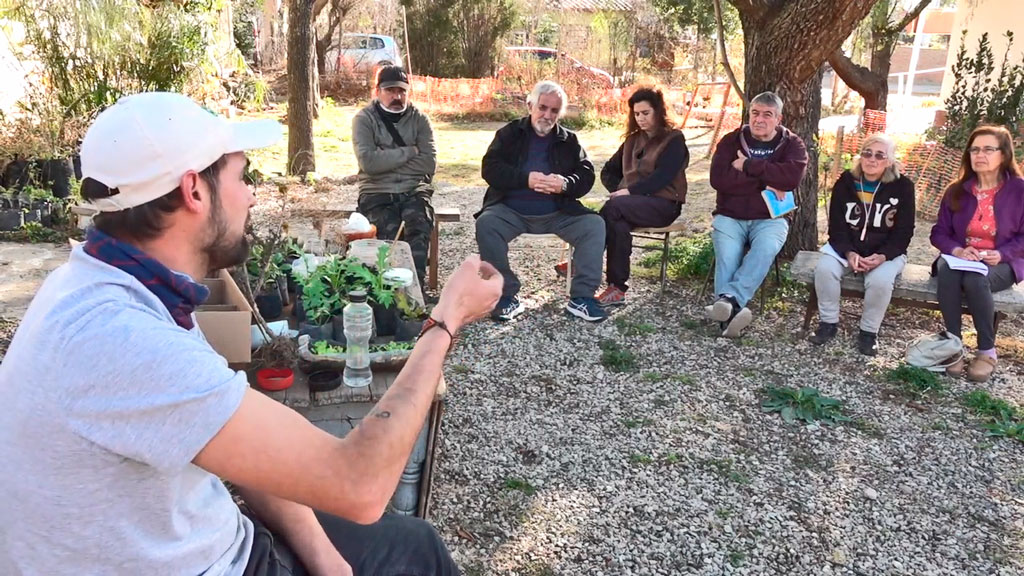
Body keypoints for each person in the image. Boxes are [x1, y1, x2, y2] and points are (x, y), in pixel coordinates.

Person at [0, 92, 502, 575]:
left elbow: (231, 441)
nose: (253, 195)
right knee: (417, 555)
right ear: (193, 189)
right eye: (242, 175)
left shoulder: (113, 282)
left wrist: (325, 559)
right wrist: (445, 321)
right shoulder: (123, 339)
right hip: (208, 562)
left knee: (411, 542)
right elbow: (362, 485)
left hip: (191, 540)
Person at [476, 80, 607, 322]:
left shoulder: (569, 141)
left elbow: (587, 174)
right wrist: (525, 179)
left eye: (554, 111)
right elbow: (490, 169)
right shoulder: (509, 134)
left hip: (558, 212)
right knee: (486, 224)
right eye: (543, 107)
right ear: (530, 105)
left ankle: (582, 298)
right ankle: (505, 294)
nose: (547, 115)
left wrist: (565, 184)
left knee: (595, 225)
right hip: (511, 210)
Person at [707, 91, 808, 338]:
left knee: (764, 249)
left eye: (767, 114)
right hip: (730, 215)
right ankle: (731, 314)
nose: (759, 119)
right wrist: (767, 181)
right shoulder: (731, 141)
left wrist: (748, 167)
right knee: (728, 257)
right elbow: (718, 179)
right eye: (755, 113)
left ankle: (728, 303)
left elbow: (791, 179)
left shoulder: (793, 144)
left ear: (778, 118)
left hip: (770, 219)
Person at [929, 125, 1024, 382]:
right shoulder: (957, 190)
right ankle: (954, 346)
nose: (979, 155)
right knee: (947, 271)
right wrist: (957, 249)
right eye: (974, 149)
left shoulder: (1019, 190)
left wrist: (1001, 254)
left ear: (1003, 155)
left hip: (1000, 262)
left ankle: (986, 351)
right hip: (960, 258)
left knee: (975, 280)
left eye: (988, 149)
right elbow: (938, 233)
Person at [809, 133, 916, 355]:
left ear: (890, 161)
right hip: (848, 248)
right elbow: (837, 226)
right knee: (825, 269)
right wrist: (848, 252)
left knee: (881, 281)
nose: (872, 159)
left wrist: (883, 256)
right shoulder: (846, 182)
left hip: (886, 252)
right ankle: (828, 323)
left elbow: (904, 231)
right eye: (867, 153)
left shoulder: (903, 187)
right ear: (861, 157)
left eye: (879, 155)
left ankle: (868, 332)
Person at [596, 86, 688, 306]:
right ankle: (617, 288)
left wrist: (628, 193)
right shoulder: (631, 140)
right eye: (636, 114)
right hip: (631, 205)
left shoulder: (674, 139)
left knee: (613, 209)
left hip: (664, 204)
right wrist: (619, 191)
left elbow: (663, 176)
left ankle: (580, 262)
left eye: (645, 113)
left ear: (658, 111)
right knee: (617, 223)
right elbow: (608, 171)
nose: (640, 118)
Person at [352, 65, 437, 286]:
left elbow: (429, 163)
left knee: (417, 227)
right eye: (390, 90)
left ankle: (414, 292)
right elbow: (369, 163)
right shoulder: (364, 120)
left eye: (401, 91)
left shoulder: (420, 120)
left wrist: (386, 160)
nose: (397, 96)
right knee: (387, 239)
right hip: (376, 191)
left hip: (413, 190)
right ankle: (387, 293)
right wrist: (410, 152)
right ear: (378, 91)